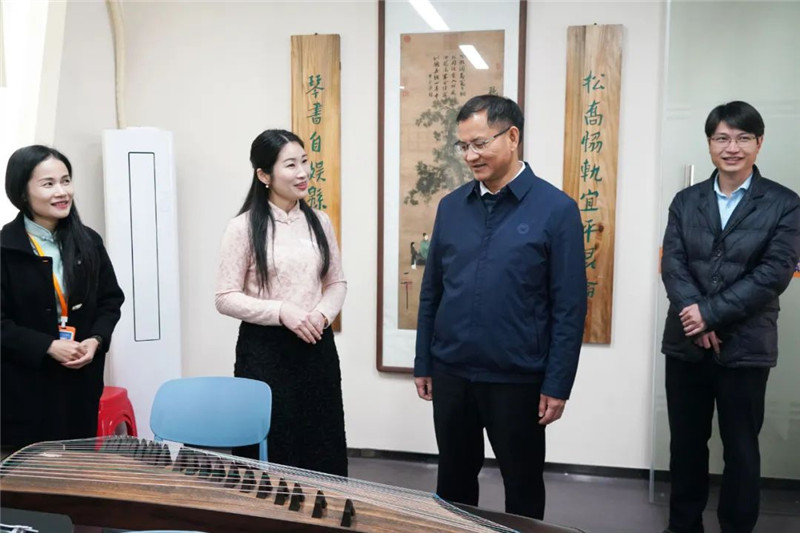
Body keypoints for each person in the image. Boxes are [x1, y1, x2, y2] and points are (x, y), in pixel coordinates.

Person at [414, 94, 587, 519]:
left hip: (517, 376)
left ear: (512, 137)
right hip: (452, 371)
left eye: (480, 143)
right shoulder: (451, 207)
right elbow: (432, 291)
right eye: (463, 146)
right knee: (453, 482)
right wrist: (424, 362)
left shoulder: (556, 209)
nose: (470, 156)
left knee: (522, 485)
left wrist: (558, 383)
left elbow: (569, 306)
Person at [660, 101, 800, 533]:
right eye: (722, 138)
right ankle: (683, 526)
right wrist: (696, 318)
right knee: (686, 445)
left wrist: (709, 314)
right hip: (686, 345)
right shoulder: (686, 200)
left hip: (746, 347)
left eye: (742, 138)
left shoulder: (785, 204)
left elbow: (773, 273)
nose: (732, 147)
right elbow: (673, 264)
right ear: (709, 144)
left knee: (741, 449)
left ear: (759, 143)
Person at [215, 129, 347, 476]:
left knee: (322, 444)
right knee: (270, 450)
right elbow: (225, 297)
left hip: (315, 345)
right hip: (264, 353)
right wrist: (281, 311)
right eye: (290, 165)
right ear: (264, 175)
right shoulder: (242, 227)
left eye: (304, 161)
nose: (302, 173)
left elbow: (336, 283)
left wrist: (321, 314)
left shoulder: (320, 222)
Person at [1, 145, 125, 452]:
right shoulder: (5, 249)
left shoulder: (88, 241)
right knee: (31, 474)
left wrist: (96, 340)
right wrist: (48, 345)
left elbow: (110, 300)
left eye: (66, 181)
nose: (62, 192)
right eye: (48, 184)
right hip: (23, 389)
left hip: (78, 385)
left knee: (77, 468)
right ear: (22, 192)